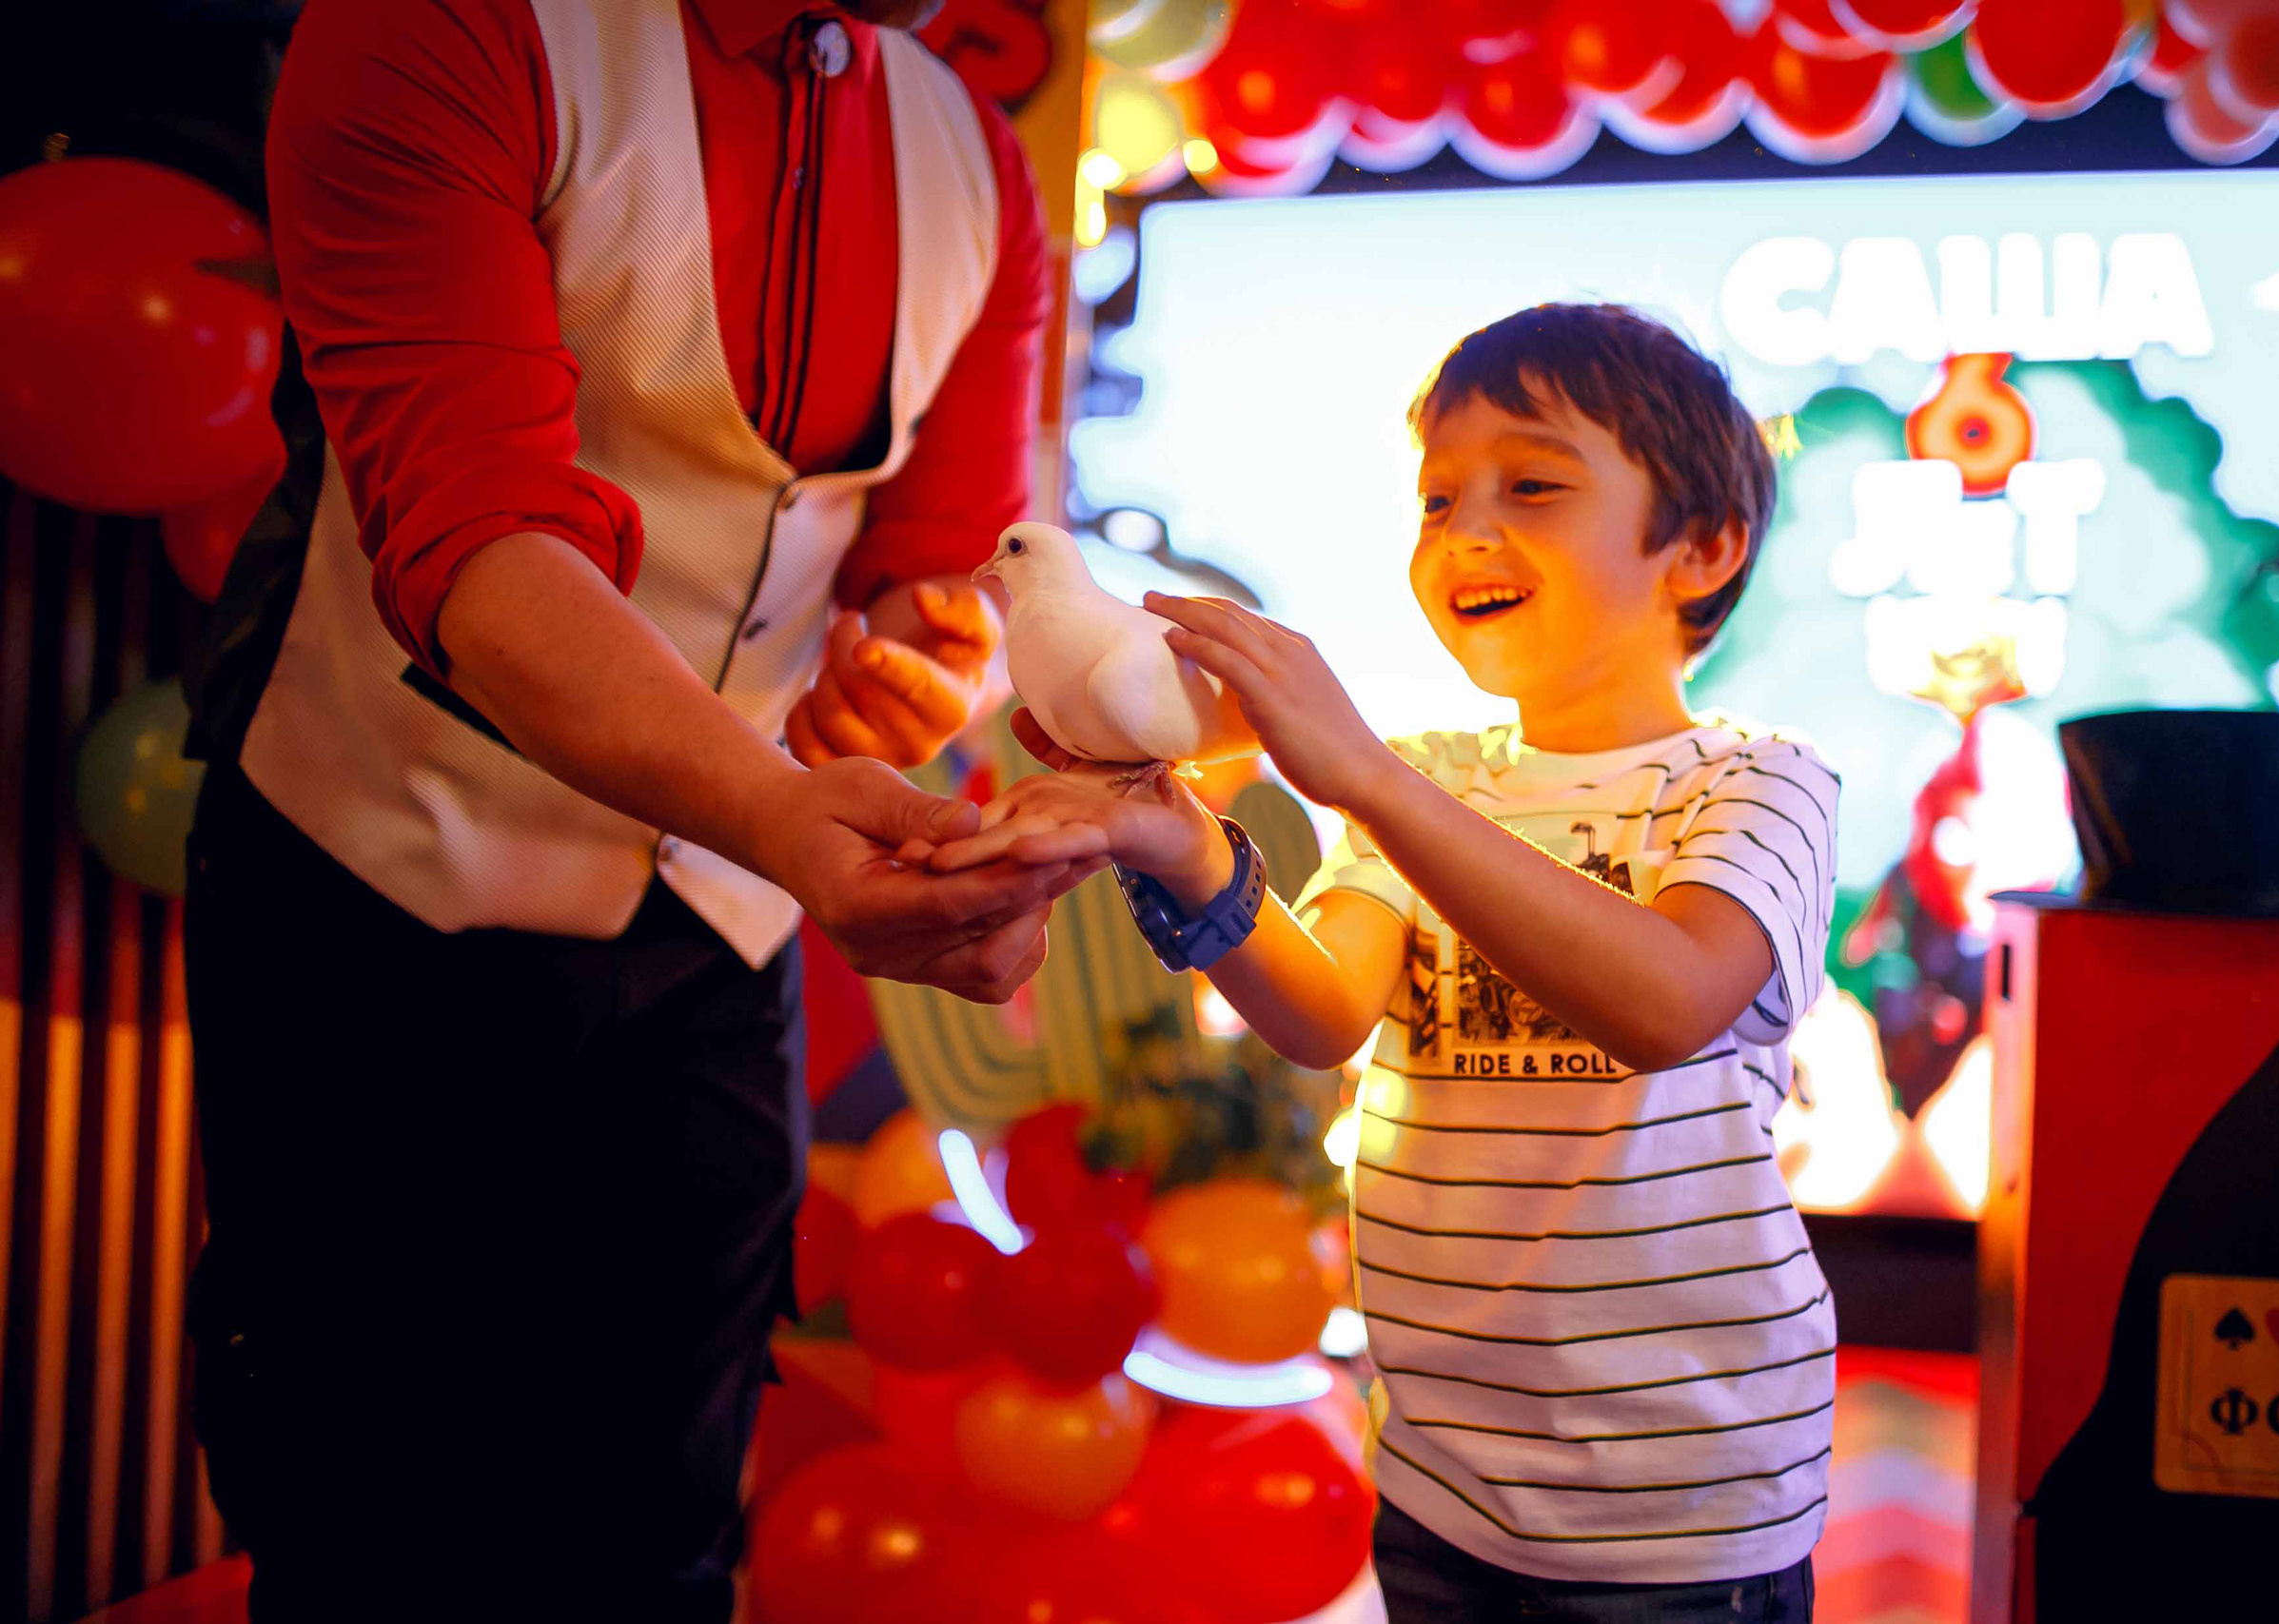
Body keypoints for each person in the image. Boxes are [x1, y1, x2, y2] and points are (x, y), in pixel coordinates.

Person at [178, 1, 1093, 1618]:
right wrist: (793, 818)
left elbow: (939, 561)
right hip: (383, 876)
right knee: (361, 1530)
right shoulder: (446, 28)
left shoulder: (980, 166)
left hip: (713, 936)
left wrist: (918, 668)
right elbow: (481, 541)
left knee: (660, 1534)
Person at [947, 303, 1839, 1621]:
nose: (1466, 529)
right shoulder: (1431, 779)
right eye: (1436, 499)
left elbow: (1669, 1001)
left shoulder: (1758, 783)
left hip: (1683, 1504)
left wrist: (1358, 773)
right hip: (1441, 1478)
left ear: (1701, 548)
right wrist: (1182, 845)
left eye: (1531, 484)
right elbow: (1323, 1010)